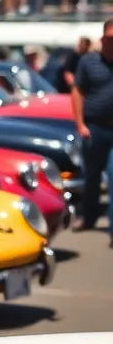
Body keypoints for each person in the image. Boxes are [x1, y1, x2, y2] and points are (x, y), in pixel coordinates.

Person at [71, 18, 113, 241]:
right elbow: (77, 91)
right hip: (95, 128)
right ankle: (89, 216)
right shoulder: (88, 62)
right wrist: (80, 124)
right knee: (91, 176)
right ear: (102, 38)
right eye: (109, 38)